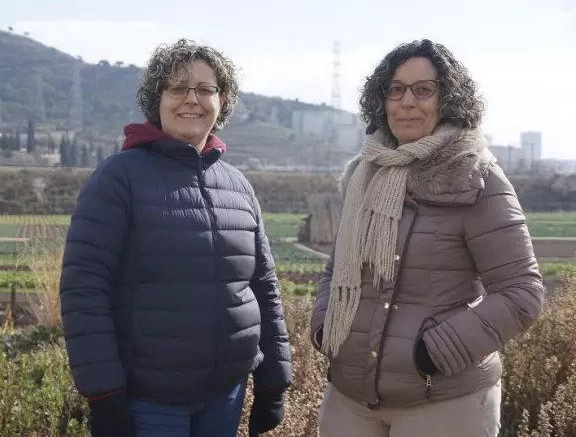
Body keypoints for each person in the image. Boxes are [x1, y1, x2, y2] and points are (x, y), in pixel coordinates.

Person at [310, 39, 544, 437]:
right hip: (350, 398)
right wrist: (324, 326)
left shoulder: (476, 177)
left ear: (447, 99)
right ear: (381, 101)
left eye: (423, 89)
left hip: (442, 401)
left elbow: (522, 291)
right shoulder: (363, 175)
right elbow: (338, 269)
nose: (407, 102)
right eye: (395, 89)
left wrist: (433, 353)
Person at [59, 38, 293, 437]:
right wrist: (104, 394)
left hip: (226, 395)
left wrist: (275, 378)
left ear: (222, 101)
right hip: (148, 401)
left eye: (205, 89)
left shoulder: (237, 185)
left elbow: (262, 285)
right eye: (177, 87)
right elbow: (84, 289)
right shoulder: (119, 177)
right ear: (157, 98)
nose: (192, 99)